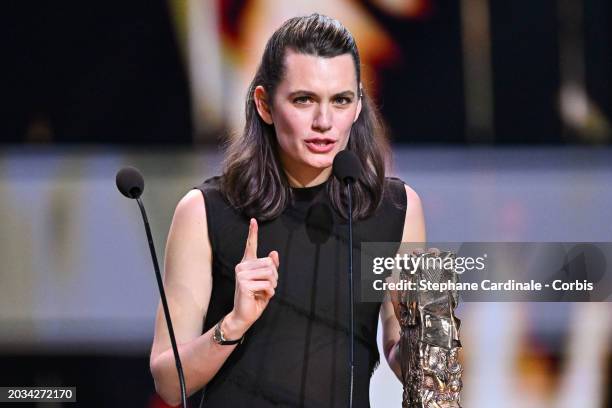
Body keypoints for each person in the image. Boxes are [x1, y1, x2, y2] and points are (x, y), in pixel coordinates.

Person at [149, 13, 425, 407]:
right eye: (303, 100)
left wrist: (427, 344)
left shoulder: (395, 210)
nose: (324, 122)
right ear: (264, 104)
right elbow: (168, 381)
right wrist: (234, 323)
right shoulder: (206, 212)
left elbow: (402, 348)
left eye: (340, 100)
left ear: (358, 104)